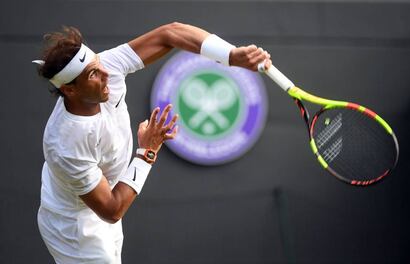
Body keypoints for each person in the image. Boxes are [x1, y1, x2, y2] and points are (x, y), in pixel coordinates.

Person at [34, 22, 272, 263]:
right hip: (74, 227)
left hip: (101, 195)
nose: (106, 73)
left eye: (98, 64)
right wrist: (147, 151)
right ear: (70, 90)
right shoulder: (65, 144)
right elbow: (111, 210)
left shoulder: (106, 68)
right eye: (93, 74)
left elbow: (170, 33)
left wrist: (230, 55)